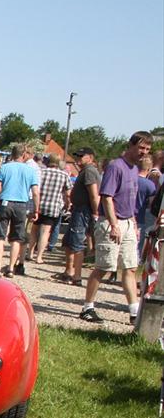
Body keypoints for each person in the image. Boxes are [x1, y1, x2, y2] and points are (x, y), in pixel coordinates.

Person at [79, 132, 154, 324]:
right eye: (141, 148)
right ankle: (88, 307)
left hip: (128, 222)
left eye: (147, 149)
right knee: (103, 267)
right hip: (111, 222)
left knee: (129, 267)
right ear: (130, 145)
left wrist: (134, 223)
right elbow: (107, 197)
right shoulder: (115, 166)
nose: (143, 152)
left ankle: (134, 311)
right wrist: (113, 225)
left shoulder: (134, 169)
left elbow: (131, 200)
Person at [0, 144, 40, 277]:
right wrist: (36, 209)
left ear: (12, 154)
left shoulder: (4, 168)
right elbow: (35, 192)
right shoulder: (31, 171)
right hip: (21, 205)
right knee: (16, 238)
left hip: (5, 202)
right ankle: (11, 268)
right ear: (24, 155)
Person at [58, 147, 100, 286]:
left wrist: (95, 212)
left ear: (90, 157)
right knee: (69, 242)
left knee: (77, 243)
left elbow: (94, 194)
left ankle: (77, 276)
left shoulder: (89, 171)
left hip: (84, 211)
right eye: (77, 155)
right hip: (78, 210)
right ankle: (69, 271)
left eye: (81, 156)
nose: (78, 158)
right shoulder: (85, 171)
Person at [32, 154, 71, 263]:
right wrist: (67, 204)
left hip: (38, 204)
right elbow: (68, 193)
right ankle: (39, 256)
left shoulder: (41, 172)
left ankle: (30, 252)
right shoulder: (64, 175)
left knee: (34, 229)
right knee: (45, 232)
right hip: (53, 206)